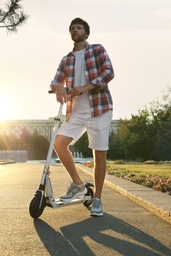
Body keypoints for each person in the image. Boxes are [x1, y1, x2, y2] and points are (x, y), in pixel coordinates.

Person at [50, 17, 114, 217]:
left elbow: (109, 72)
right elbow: (55, 81)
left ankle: (97, 199)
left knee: (99, 154)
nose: (75, 30)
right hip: (76, 111)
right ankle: (78, 184)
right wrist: (58, 85)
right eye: (72, 28)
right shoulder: (66, 59)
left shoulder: (97, 50)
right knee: (59, 144)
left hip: (99, 109)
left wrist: (84, 87)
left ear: (86, 33)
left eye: (79, 27)